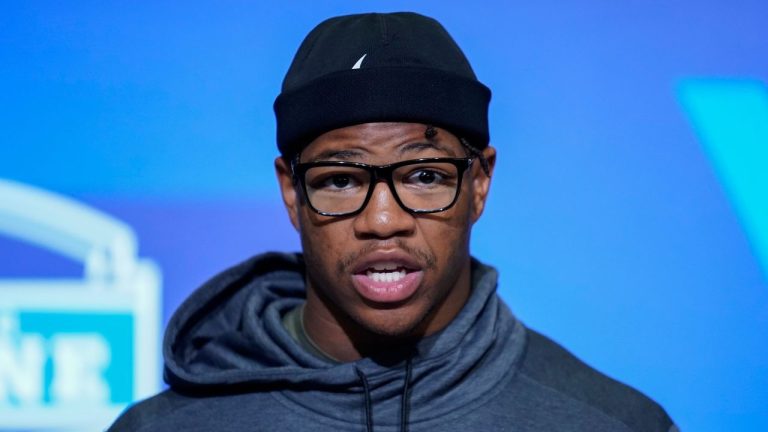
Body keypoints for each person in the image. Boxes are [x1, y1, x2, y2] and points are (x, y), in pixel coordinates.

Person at [109, 12, 676, 432]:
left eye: (424, 176)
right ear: (291, 191)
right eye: (340, 180)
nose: (384, 221)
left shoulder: (611, 423)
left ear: (479, 183)